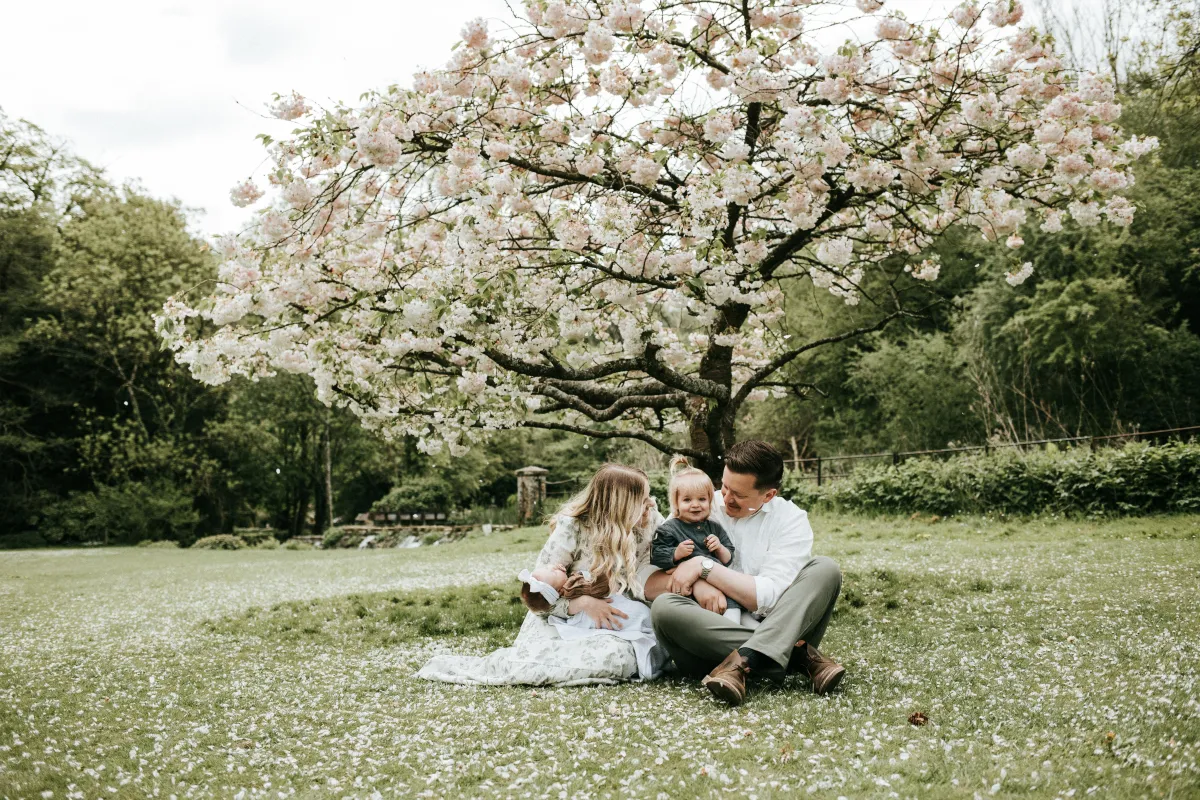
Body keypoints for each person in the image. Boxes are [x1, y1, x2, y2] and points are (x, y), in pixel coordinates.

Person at [416, 463, 666, 686]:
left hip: (622, 621)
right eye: (643, 499)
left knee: (619, 657)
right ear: (620, 504)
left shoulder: (651, 521)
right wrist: (582, 604)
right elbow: (538, 595)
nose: (652, 503)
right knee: (547, 658)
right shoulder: (574, 527)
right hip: (562, 618)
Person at [645, 440, 845, 706]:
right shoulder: (699, 502)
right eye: (724, 487)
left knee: (826, 569)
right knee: (664, 608)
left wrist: (703, 568)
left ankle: (742, 664)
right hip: (709, 639)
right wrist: (696, 583)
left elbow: (766, 598)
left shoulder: (790, 519)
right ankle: (796, 658)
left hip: (772, 622)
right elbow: (650, 583)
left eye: (738, 494)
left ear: (768, 495)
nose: (725, 499)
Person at [650, 456, 740, 624]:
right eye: (687, 500)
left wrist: (719, 547)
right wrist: (675, 553)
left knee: (734, 606)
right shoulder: (669, 529)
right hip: (689, 590)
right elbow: (656, 555)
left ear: (710, 501)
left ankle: (739, 631)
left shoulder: (714, 528)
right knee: (693, 616)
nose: (695, 505)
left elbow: (728, 558)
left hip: (719, 582)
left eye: (702, 499)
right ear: (676, 503)